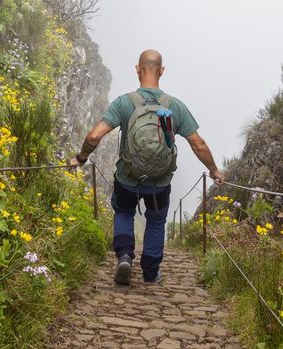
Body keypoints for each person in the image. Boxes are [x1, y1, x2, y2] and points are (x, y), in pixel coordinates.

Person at [69, 49, 224, 285]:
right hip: (159, 183)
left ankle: (124, 256)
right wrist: (213, 170)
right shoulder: (174, 107)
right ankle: (151, 273)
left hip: (127, 178)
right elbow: (198, 144)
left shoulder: (124, 103)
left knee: (123, 212)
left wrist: (81, 158)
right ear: (161, 71)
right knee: (156, 221)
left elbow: (93, 137)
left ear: (137, 69)